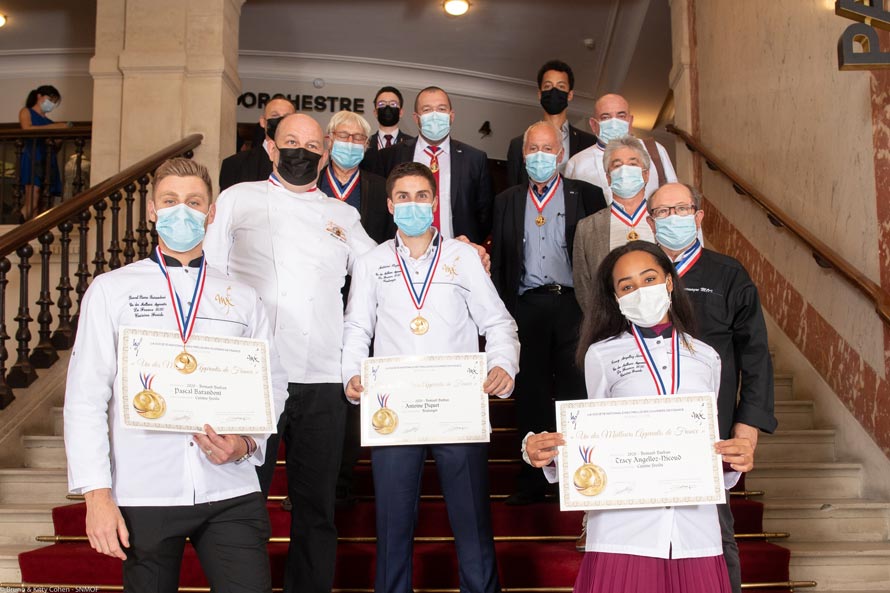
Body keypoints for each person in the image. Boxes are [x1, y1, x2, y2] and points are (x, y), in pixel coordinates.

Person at [63, 157, 287, 593]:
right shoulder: (112, 290)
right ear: (152, 209)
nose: (181, 211)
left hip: (229, 487)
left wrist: (246, 442)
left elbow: (271, 383)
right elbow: (85, 397)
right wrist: (96, 494)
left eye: (193, 201)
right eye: (170, 200)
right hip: (144, 488)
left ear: (211, 213)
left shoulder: (241, 297)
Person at [204, 113, 377, 593]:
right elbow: (209, 277)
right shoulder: (237, 200)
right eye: (290, 142)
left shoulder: (343, 215)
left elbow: (383, 269)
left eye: (311, 144)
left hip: (322, 376)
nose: (301, 151)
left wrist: (454, 251)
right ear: (271, 148)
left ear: (324, 153)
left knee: (317, 508)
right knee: (244, 502)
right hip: (253, 374)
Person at [523, 241, 754, 593]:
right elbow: (594, 437)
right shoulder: (601, 355)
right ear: (616, 298)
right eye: (627, 286)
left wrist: (731, 461)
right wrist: (543, 454)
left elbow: (707, 443)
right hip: (624, 528)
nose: (640, 291)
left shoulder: (707, 358)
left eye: (649, 279)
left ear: (669, 283)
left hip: (695, 528)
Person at [342, 161, 520, 593]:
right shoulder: (371, 262)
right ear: (389, 205)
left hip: (457, 407)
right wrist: (350, 375)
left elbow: (498, 323)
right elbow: (357, 328)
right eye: (403, 197)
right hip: (394, 411)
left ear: (435, 203)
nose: (413, 204)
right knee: (393, 525)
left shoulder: (463, 257)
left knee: (473, 520)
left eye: (422, 196)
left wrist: (502, 365)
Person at [645, 182, 778, 593]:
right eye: (662, 213)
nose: (672, 219)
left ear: (698, 217)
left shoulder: (728, 273)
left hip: (711, 431)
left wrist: (748, 425)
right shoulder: (635, 275)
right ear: (650, 223)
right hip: (645, 429)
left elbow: (755, 353)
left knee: (716, 535)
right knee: (648, 537)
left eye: (680, 209)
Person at [490, 121, 606, 505]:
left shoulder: (586, 194)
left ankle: (578, 474)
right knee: (532, 392)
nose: (540, 156)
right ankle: (532, 478)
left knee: (575, 390)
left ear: (560, 154)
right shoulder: (507, 199)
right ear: (523, 156)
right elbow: (504, 261)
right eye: (532, 149)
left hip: (574, 304)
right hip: (526, 304)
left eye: (547, 149)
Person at [372, 86, 493, 244]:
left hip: (456, 253)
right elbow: (381, 210)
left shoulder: (475, 159)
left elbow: (485, 214)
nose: (435, 115)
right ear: (416, 118)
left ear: (451, 116)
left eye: (441, 109)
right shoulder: (390, 156)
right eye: (427, 109)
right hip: (404, 253)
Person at [573, 136, 657, 313]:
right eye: (617, 165)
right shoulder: (587, 227)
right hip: (609, 323)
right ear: (608, 178)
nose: (625, 170)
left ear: (646, 174)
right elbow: (583, 285)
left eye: (633, 164)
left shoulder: (663, 217)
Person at [565, 94, 676, 202]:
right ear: (594, 124)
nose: (614, 123)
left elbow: (674, 193)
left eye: (621, 116)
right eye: (606, 117)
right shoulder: (577, 162)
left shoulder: (654, 150)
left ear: (630, 121)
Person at [506, 60, 598, 187]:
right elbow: (513, 193)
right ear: (540, 94)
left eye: (561, 87)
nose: (554, 91)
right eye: (548, 86)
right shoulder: (518, 144)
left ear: (570, 94)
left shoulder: (589, 143)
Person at [318, 110, 395, 244]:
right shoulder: (312, 183)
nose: (350, 142)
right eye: (343, 135)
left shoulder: (382, 188)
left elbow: (389, 237)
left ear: (366, 145)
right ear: (330, 141)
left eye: (358, 137)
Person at [219, 94, 296, 191]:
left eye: (286, 117)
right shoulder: (234, 164)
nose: (280, 121)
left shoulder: (307, 164)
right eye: (274, 115)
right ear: (263, 122)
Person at [18, 85, 70, 219]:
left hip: (47, 160)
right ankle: (17, 226)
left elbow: (55, 147)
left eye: (54, 101)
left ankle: (33, 231)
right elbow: (27, 128)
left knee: (45, 200)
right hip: (33, 156)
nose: (51, 104)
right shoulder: (27, 112)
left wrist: (58, 139)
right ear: (39, 96)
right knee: (33, 197)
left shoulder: (49, 121)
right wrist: (56, 127)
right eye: (50, 99)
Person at [361, 86, 415, 172]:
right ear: (375, 112)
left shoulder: (413, 144)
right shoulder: (364, 144)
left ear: (400, 112)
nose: (387, 108)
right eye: (381, 104)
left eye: (393, 104)